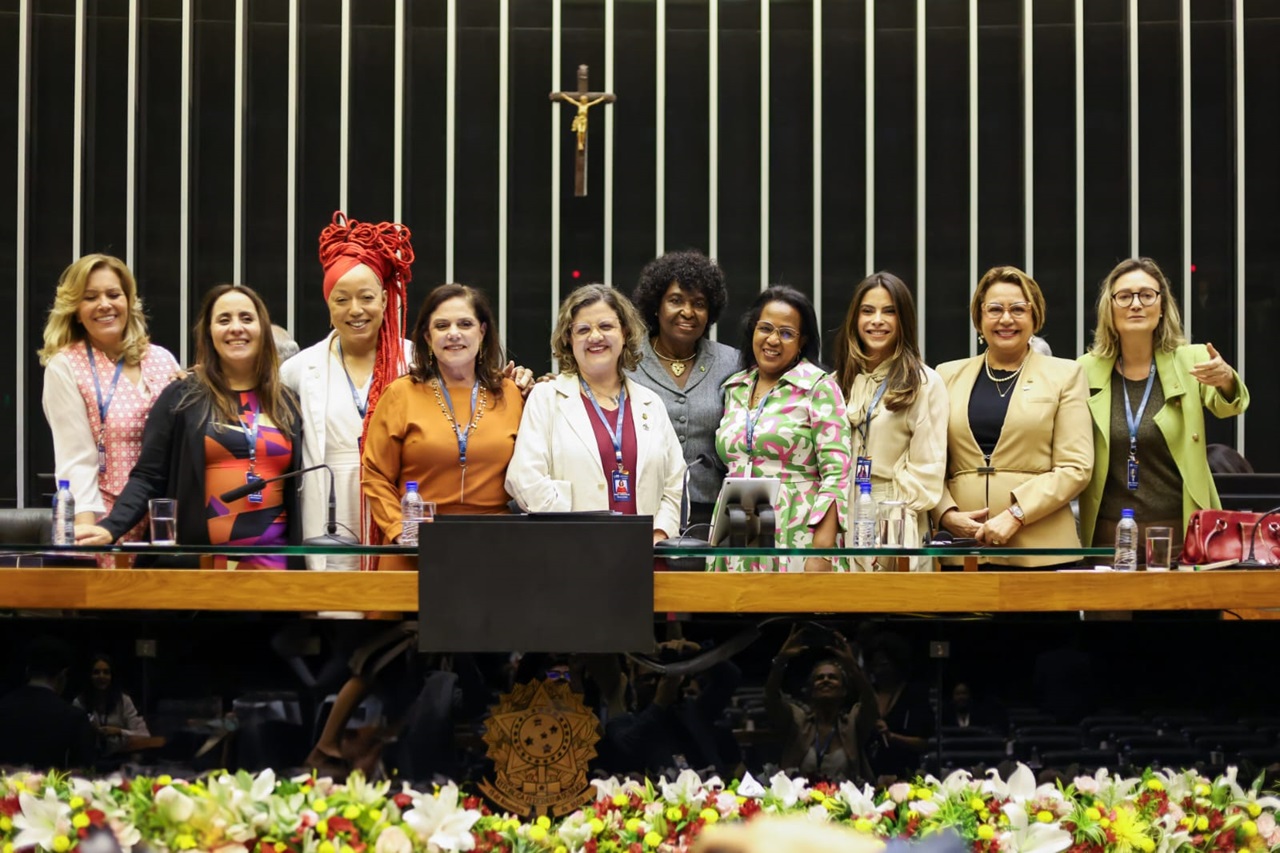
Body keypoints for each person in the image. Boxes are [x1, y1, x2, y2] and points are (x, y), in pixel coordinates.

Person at [305, 283, 525, 772]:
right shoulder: (402, 393)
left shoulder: (512, 393)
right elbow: (375, 475)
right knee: (387, 656)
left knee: (491, 656)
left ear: (483, 331)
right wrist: (398, 528)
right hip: (415, 547)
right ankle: (341, 749)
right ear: (424, 336)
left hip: (490, 550)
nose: (453, 334)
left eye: (465, 323)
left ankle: (489, 761)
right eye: (441, 325)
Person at [75, 284, 303, 569]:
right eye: (223, 320)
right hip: (202, 565)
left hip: (276, 567)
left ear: (263, 329)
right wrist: (111, 527)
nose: (236, 328)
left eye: (246, 318)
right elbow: (148, 476)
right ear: (209, 333)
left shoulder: (288, 403)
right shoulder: (182, 396)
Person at [1077, 257, 1250, 557]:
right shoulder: (1085, 369)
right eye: (1124, 296)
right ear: (1110, 308)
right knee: (1107, 605)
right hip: (1110, 533)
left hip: (1182, 530)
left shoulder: (1191, 359)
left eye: (1146, 295)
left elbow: (1228, 406)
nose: (1136, 304)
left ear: (1162, 307)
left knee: (1182, 605)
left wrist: (1225, 379)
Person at [280, 211, 416, 570]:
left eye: (366, 297)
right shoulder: (297, 370)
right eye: (341, 299)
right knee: (336, 610)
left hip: (396, 503)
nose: (355, 310)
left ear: (385, 301)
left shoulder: (415, 362)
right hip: (327, 508)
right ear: (329, 307)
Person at [932, 266, 1092, 568]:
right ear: (979, 318)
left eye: (1018, 309)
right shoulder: (946, 375)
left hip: (1042, 552)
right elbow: (929, 460)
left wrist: (1016, 514)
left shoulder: (1066, 374)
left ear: (1035, 317)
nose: (1006, 319)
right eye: (994, 309)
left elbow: (1076, 467)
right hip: (964, 549)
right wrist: (946, 514)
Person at [506, 284, 685, 543]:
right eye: (583, 329)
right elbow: (524, 480)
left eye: (606, 326)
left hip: (646, 555)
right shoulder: (546, 398)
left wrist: (659, 533)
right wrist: (576, 526)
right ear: (568, 339)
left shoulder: (651, 403)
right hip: (571, 553)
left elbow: (675, 482)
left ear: (624, 332)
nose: (595, 337)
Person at [39, 254, 182, 561]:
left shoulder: (162, 359)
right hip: (106, 519)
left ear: (129, 302)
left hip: (164, 520)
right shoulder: (65, 366)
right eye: (90, 298)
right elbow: (76, 460)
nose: (104, 304)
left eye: (114, 295)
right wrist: (89, 540)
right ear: (76, 311)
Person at [714, 286, 852, 573]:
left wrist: (822, 552)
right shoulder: (734, 387)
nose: (773, 340)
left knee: (790, 616)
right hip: (737, 525)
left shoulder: (819, 387)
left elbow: (837, 474)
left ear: (802, 342)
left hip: (797, 531)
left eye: (787, 333)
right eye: (765, 328)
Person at [832, 272, 948, 571]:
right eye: (868, 311)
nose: (877, 321)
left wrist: (892, 521)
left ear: (904, 320)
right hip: (841, 508)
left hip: (896, 511)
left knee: (895, 610)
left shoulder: (924, 382)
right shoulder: (835, 383)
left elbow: (928, 469)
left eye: (889, 311)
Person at [628, 251, 739, 529]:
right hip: (645, 508)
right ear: (656, 305)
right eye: (675, 300)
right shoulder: (626, 360)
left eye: (699, 304)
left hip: (712, 512)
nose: (688, 312)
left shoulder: (732, 362)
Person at [765, 625, 878, 781]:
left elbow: (870, 702)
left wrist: (852, 666)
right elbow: (771, 698)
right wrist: (781, 661)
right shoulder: (799, 721)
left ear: (844, 690)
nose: (826, 680)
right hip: (800, 802)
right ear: (811, 690)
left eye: (832, 677)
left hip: (844, 803)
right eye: (819, 678)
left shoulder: (852, 724)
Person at [0, 637, 97, 769]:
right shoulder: (74, 717)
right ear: (63, 674)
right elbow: (82, 774)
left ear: (28, 671)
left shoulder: (3, 707)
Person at [863, 632, 934, 783]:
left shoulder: (914, 694)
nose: (879, 670)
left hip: (905, 777)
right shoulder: (867, 694)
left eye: (884, 664)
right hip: (869, 776)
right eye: (875, 665)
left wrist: (892, 737)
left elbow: (923, 744)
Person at [72, 653, 150, 755]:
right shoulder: (79, 702)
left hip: (121, 757)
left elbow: (144, 735)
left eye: (106, 672)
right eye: (96, 672)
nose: (101, 676)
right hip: (90, 758)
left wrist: (118, 732)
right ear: (89, 676)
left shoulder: (124, 701)